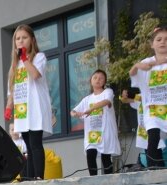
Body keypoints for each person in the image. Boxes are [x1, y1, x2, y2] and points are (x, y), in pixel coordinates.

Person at [5, 24, 53, 180]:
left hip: (35, 108)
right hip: (22, 110)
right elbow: (12, 89)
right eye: (17, 39)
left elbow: (35, 75)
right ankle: (30, 178)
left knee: (35, 144)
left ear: (32, 40)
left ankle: (39, 177)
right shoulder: (14, 65)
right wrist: (9, 106)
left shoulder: (39, 57)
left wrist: (25, 58)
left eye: (24, 38)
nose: (20, 41)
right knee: (28, 147)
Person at [129, 26, 167, 168]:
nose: (163, 42)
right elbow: (132, 74)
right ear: (152, 44)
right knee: (153, 136)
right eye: (159, 39)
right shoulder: (146, 62)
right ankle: (153, 167)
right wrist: (137, 65)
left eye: (166, 39)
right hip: (152, 108)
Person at [70, 69, 121, 176]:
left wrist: (91, 109)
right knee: (90, 154)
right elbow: (73, 111)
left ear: (104, 81)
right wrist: (75, 113)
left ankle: (109, 180)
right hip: (92, 133)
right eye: (95, 77)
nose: (98, 80)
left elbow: (106, 101)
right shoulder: (86, 99)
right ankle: (93, 180)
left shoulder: (108, 92)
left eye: (101, 78)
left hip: (105, 131)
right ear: (91, 80)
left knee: (105, 157)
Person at [120, 88, 164, 167]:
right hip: (144, 132)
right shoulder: (140, 96)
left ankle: (157, 171)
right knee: (150, 153)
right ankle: (154, 171)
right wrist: (124, 94)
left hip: (155, 129)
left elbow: (142, 98)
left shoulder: (156, 95)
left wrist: (132, 96)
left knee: (156, 152)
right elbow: (124, 100)